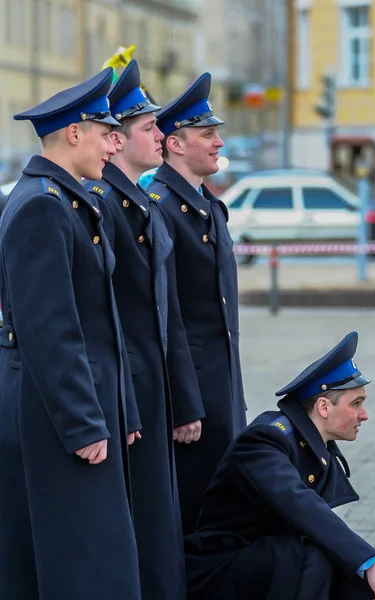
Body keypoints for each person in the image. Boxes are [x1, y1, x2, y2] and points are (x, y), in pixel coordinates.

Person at [0, 69, 142, 600]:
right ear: (75, 133)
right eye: (107, 133)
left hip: (84, 410)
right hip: (57, 419)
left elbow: (102, 320)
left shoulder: (73, 199)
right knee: (77, 560)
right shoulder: (41, 205)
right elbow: (50, 332)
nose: (116, 143)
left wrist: (120, 409)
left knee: (91, 554)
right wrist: (84, 424)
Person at [85, 60, 205, 600]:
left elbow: (167, 312)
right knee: (141, 520)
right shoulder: (107, 204)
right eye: (148, 128)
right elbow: (102, 316)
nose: (161, 135)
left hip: (152, 388)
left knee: (161, 518)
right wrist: (128, 402)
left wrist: (183, 398)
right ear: (117, 137)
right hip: (128, 389)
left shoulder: (139, 203)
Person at [185, 331, 375, 600]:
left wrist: (369, 571)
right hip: (222, 570)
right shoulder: (265, 440)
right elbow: (300, 504)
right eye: (356, 403)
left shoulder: (315, 445)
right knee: (315, 556)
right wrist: (369, 563)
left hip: (277, 563)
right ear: (323, 406)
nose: (364, 415)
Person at [146, 73, 247, 534]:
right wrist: (185, 403)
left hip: (222, 389)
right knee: (193, 515)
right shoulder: (161, 207)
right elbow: (165, 318)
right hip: (193, 400)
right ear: (175, 144)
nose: (218, 142)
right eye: (207, 135)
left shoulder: (209, 205)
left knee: (222, 505)